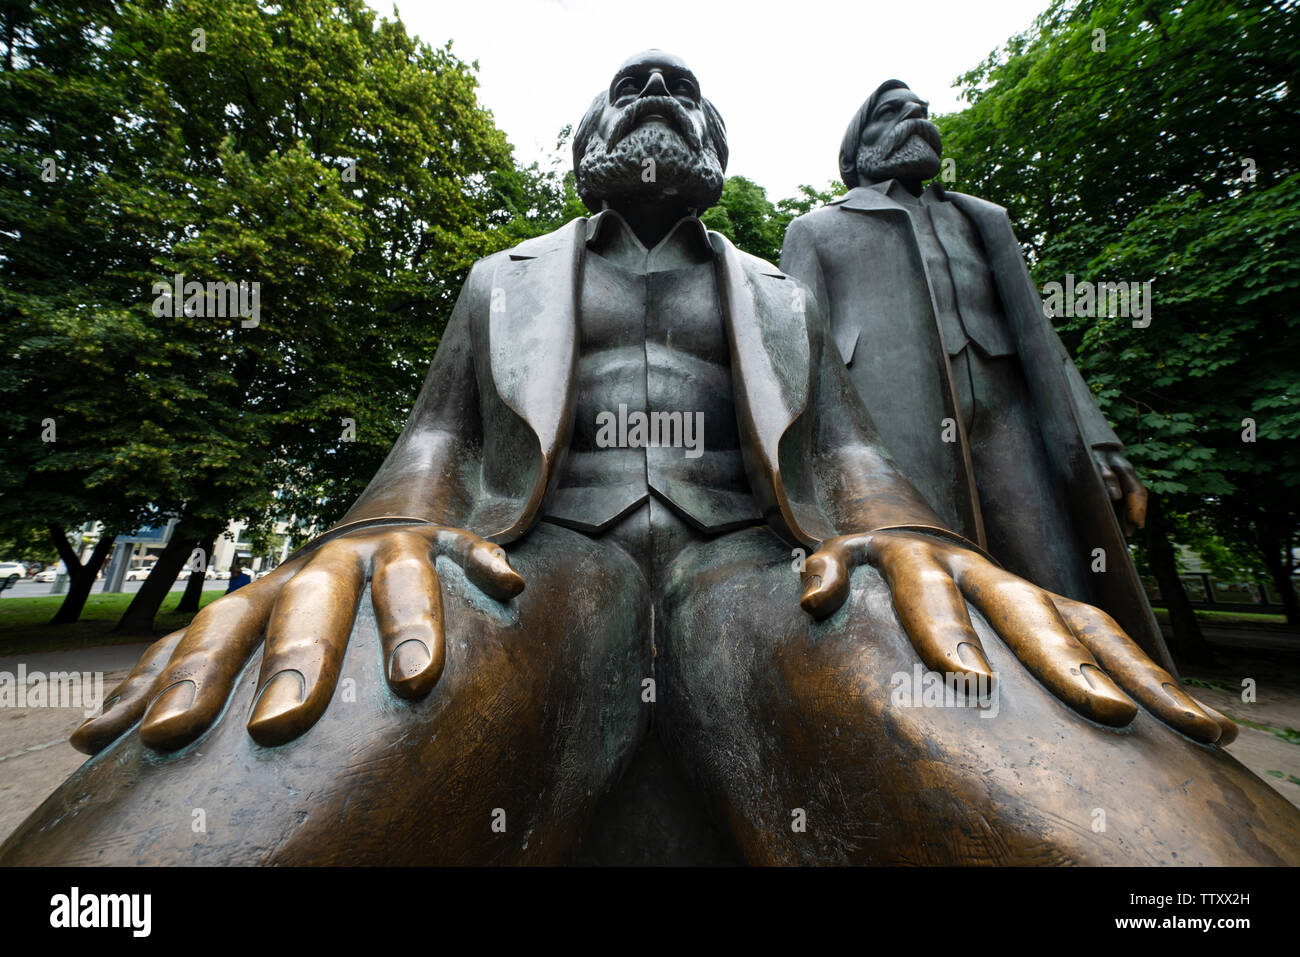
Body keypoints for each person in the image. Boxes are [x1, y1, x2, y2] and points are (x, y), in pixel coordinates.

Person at [4, 52, 1297, 866]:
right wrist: (358, 541)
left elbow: (849, 458)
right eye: (635, 88)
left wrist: (921, 544)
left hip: (756, 572)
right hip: (533, 561)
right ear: (584, 138)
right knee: (274, 757)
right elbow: (439, 442)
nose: (663, 96)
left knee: (1057, 756)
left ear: (720, 154)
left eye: (686, 94)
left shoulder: (772, 291)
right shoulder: (496, 282)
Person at [780, 79, 1169, 670]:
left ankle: (1100, 693)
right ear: (857, 148)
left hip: (1006, 407)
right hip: (886, 417)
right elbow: (797, 342)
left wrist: (1099, 441)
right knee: (923, 567)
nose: (916, 115)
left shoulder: (983, 220)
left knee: (1053, 565)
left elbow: (1043, 339)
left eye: (921, 110)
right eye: (892, 112)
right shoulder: (817, 229)